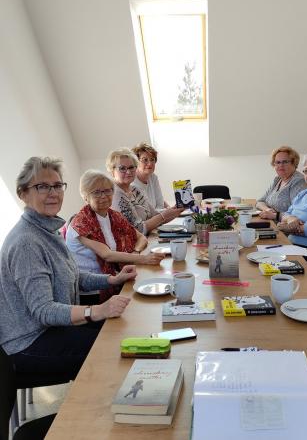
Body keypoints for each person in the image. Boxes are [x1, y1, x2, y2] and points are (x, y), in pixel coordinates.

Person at [0, 157, 136, 379]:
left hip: (55, 328)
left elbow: (72, 275)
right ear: (22, 193)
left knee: (121, 329)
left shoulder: (48, 229)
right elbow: (44, 311)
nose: (53, 193)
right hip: (28, 343)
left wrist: (112, 279)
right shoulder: (26, 242)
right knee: (114, 348)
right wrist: (97, 310)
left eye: (57, 185)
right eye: (42, 186)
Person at [66, 170, 165, 304]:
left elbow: (141, 238)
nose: (103, 196)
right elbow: (107, 255)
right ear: (85, 197)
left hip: (117, 280)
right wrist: (143, 259)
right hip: (92, 292)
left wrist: (135, 253)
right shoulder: (81, 223)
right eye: (96, 192)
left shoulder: (114, 216)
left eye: (107, 191)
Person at [107, 147, 183, 234]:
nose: (128, 172)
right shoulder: (115, 194)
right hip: (134, 241)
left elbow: (154, 215)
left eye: (131, 167)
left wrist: (178, 209)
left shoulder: (135, 189)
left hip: (149, 237)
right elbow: (137, 230)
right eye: (122, 168)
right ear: (112, 171)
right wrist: (164, 216)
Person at [256, 146, 307, 221]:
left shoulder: (299, 181)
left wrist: (275, 215)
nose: (281, 165)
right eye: (278, 162)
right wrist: (267, 210)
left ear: (294, 163)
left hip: (286, 226)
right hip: (270, 222)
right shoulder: (277, 179)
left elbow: (298, 213)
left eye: (285, 162)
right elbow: (260, 202)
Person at [132, 142, 169, 211]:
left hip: (158, 216)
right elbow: (142, 213)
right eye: (145, 160)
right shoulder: (131, 182)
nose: (150, 164)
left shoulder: (153, 177)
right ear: (136, 162)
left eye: (152, 159)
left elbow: (160, 204)